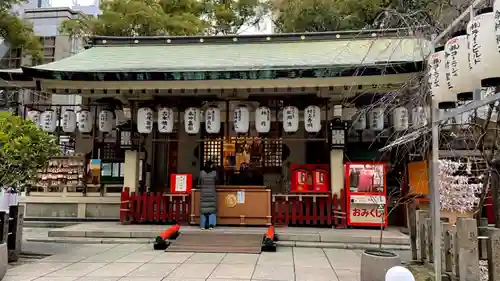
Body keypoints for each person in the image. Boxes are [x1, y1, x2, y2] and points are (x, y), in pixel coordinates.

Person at [199, 160, 217, 230]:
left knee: (204, 209)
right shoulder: (214, 173)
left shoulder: (201, 173)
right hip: (212, 192)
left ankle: (203, 225)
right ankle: (211, 225)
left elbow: (199, 182)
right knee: (211, 209)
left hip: (204, 192)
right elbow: (217, 181)